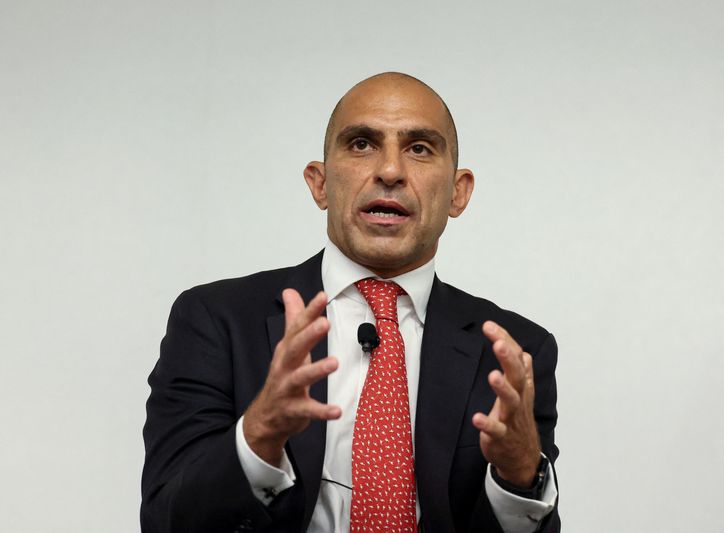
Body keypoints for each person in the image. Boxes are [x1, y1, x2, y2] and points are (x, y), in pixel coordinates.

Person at [141, 72, 560, 532]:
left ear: (458, 193)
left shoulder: (515, 351)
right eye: (362, 144)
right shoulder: (216, 322)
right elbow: (166, 519)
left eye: (419, 148)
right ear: (319, 183)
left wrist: (521, 475)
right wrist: (258, 435)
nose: (390, 171)